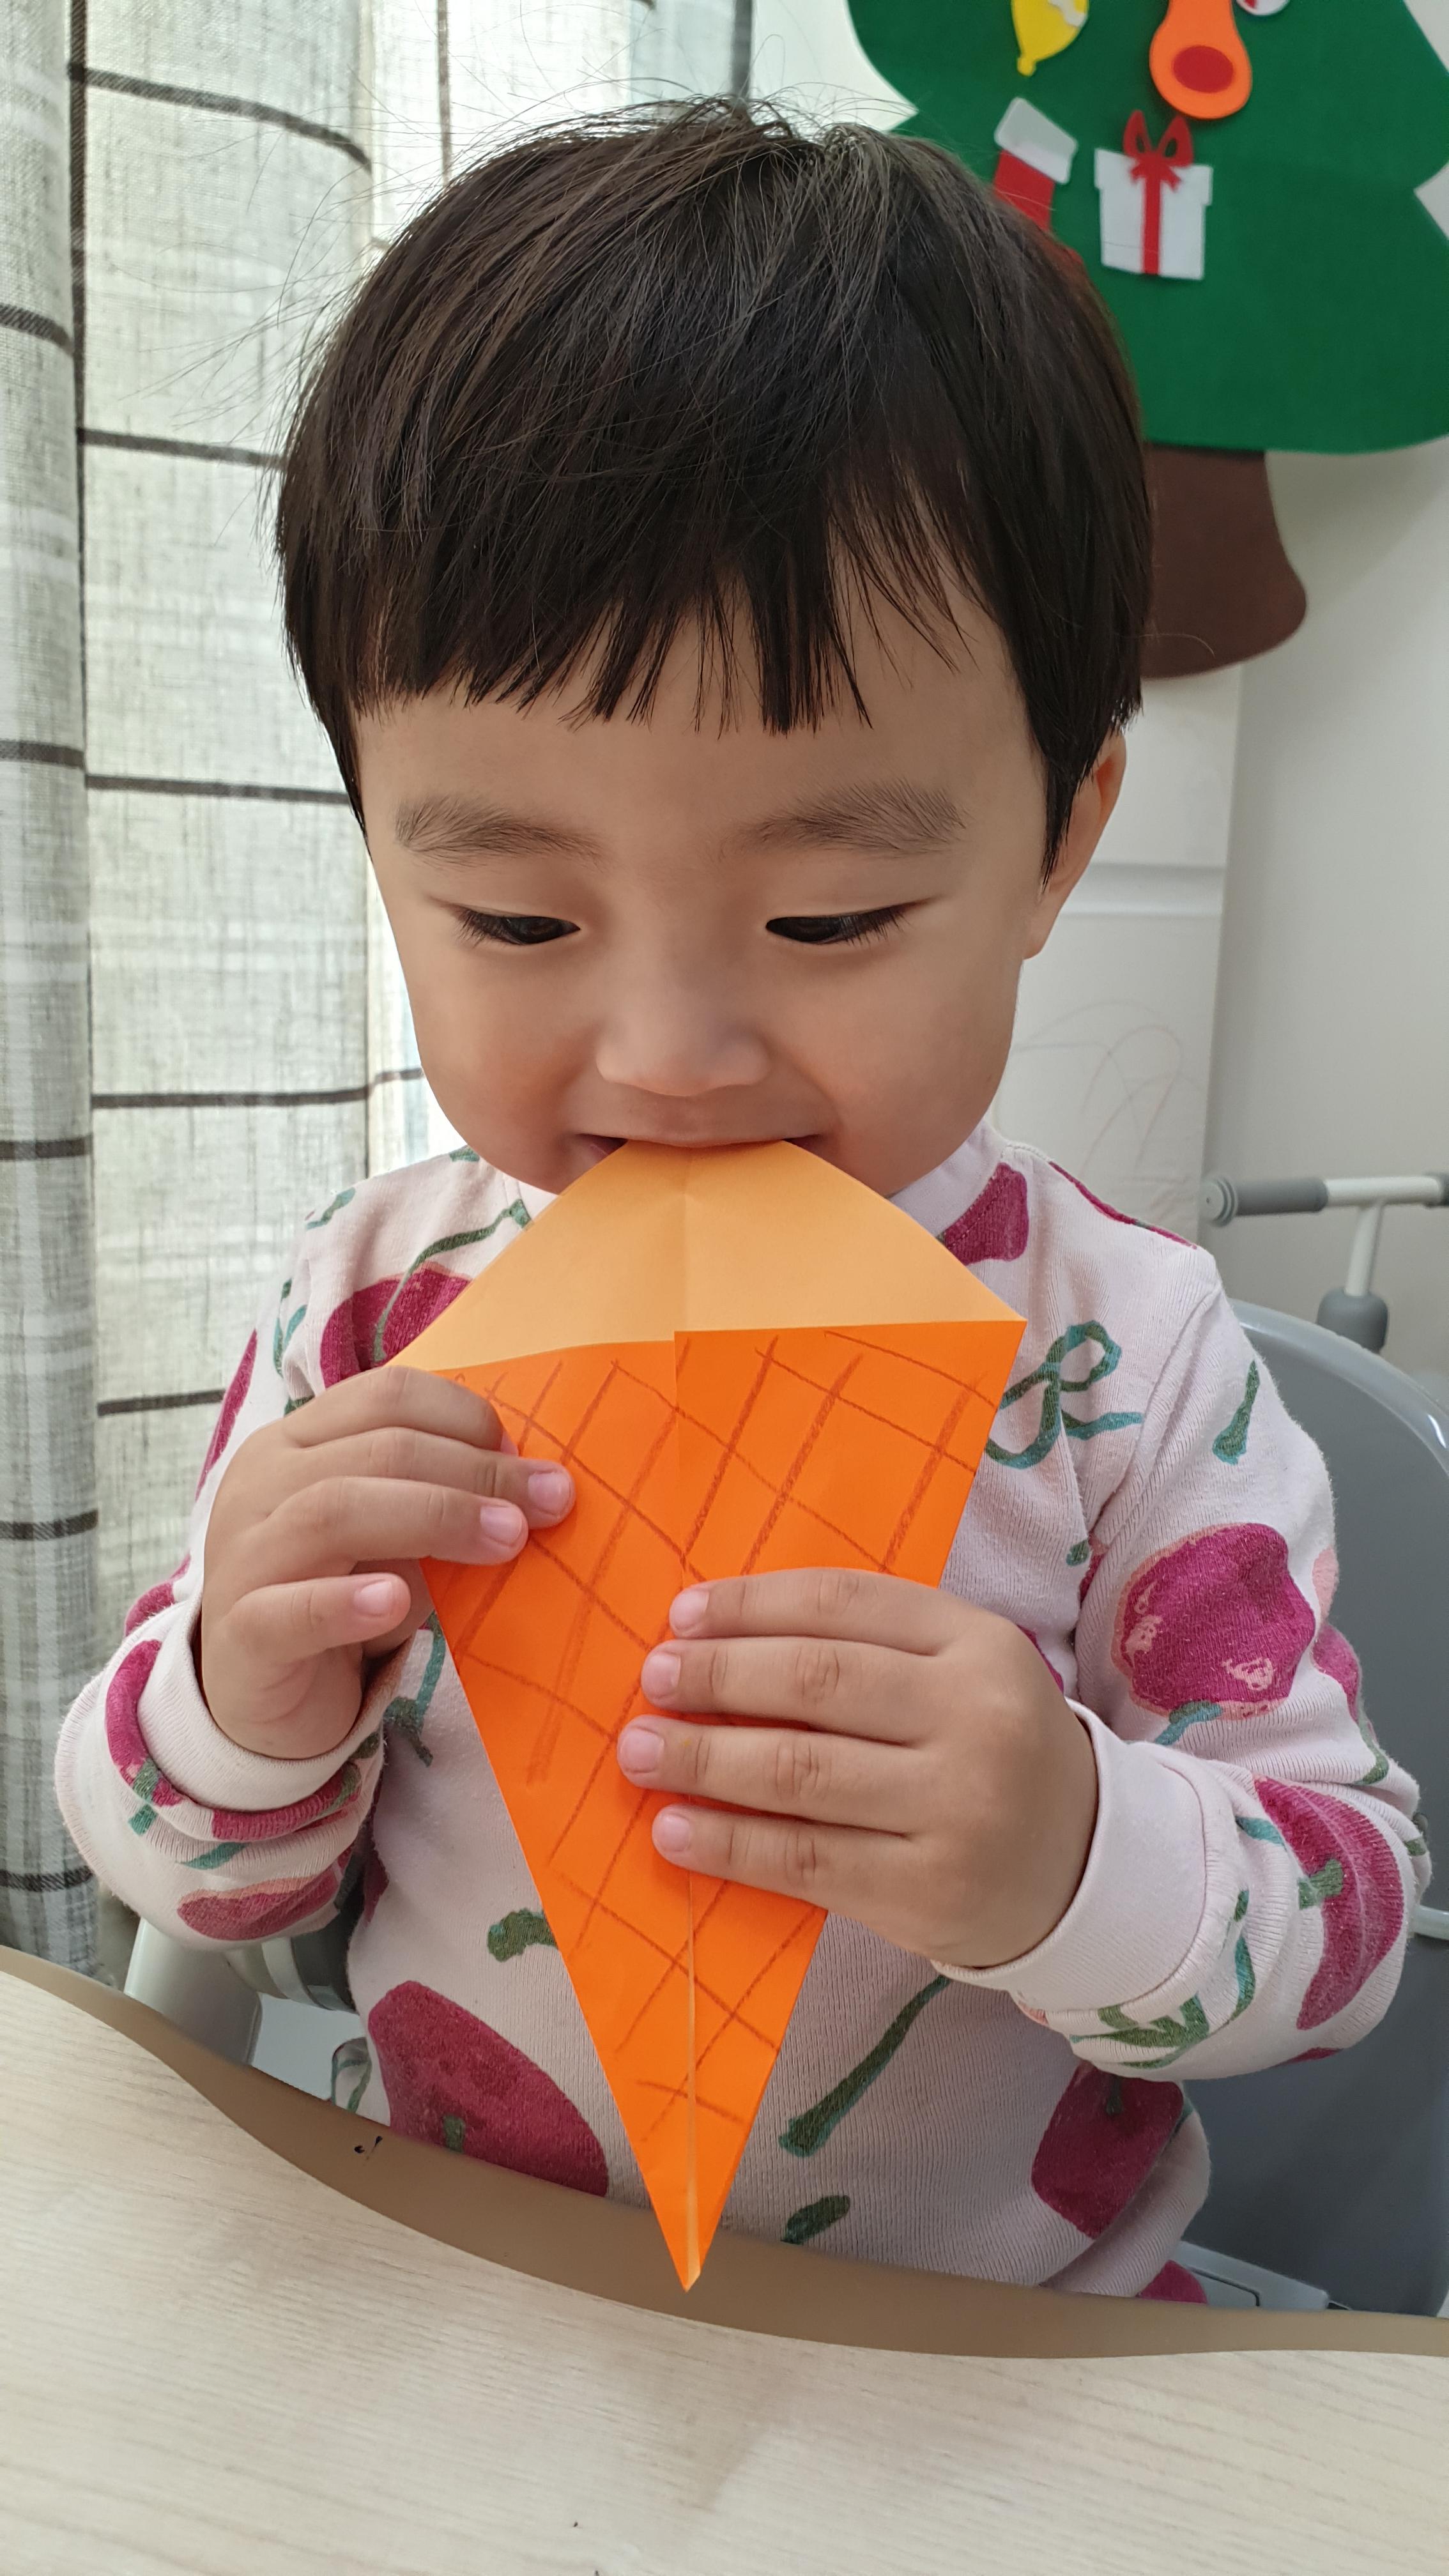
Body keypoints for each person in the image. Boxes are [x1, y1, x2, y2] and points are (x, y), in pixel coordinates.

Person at [56, 103, 1427, 2300]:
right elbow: (191, 1878)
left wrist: (1069, 1849)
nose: (672, 1054)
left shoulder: (1125, 1357)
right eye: (516, 918)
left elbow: (1344, 1923)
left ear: (1054, 843)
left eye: (830, 917)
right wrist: (242, 1685)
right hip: (474, 2292)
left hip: (993, 2350)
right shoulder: (374, 1308)